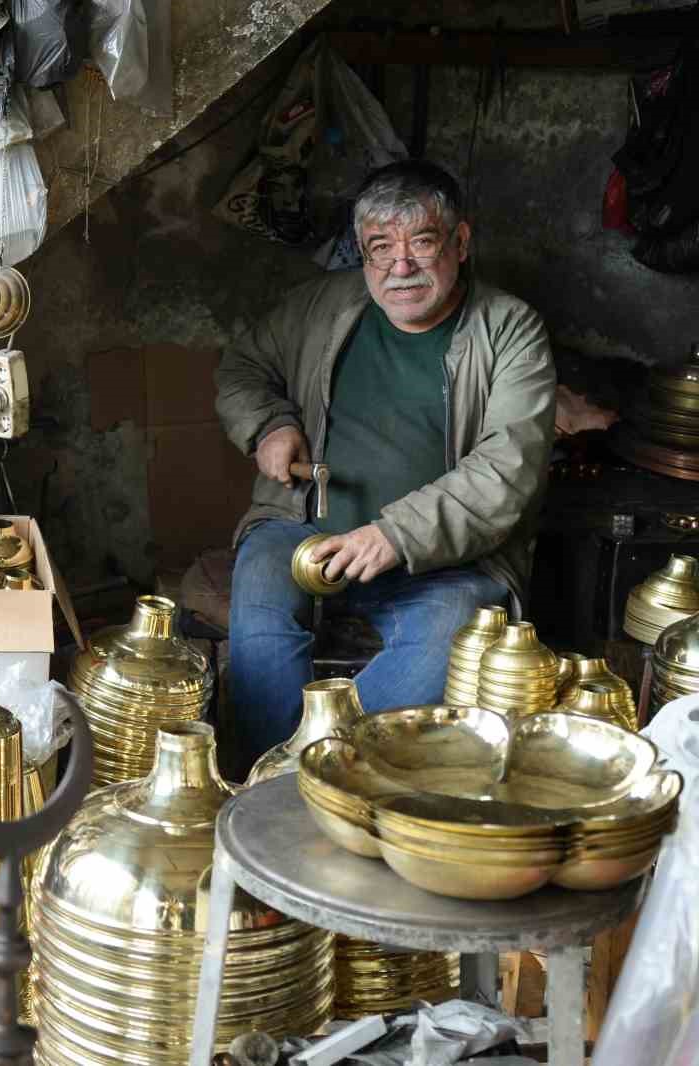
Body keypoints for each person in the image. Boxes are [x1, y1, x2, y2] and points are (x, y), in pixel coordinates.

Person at [215, 159, 556, 765]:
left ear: (460, 242)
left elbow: (509, 469)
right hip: (305, 526)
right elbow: (243, 366)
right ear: (363, 253)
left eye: (422, 243)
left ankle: (316, 776)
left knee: (451, 634)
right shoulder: (322, 306)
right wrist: (270, 424)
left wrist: (396, 534)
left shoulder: (509, 329)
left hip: (448, 560)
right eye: (380, 248)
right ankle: (256, 778)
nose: (401, 267)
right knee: (261, 596)